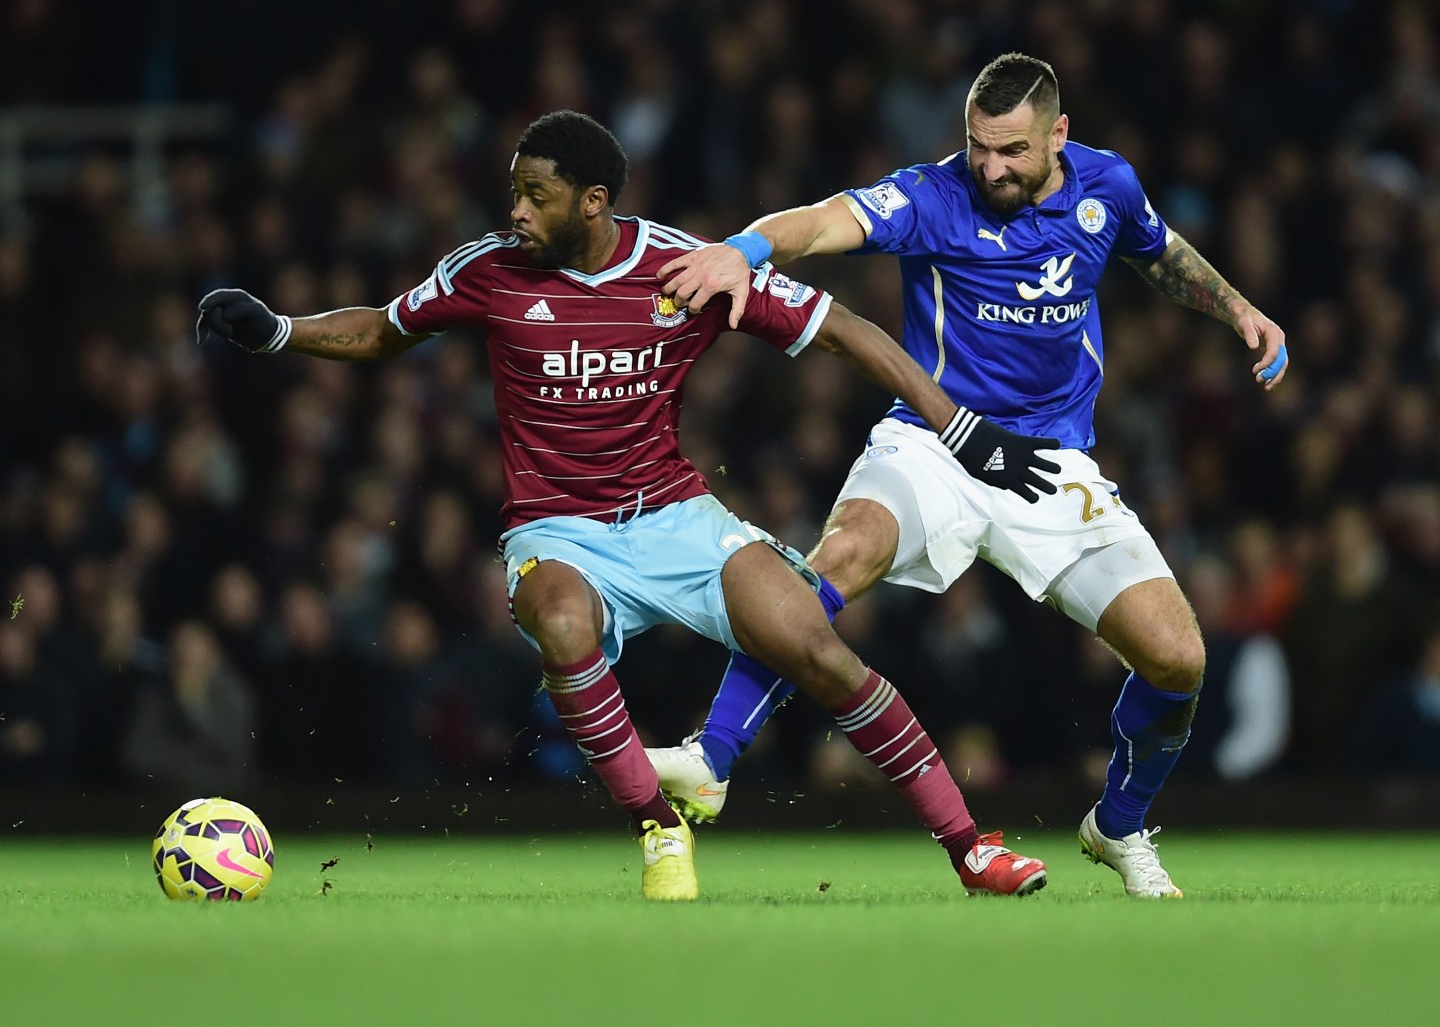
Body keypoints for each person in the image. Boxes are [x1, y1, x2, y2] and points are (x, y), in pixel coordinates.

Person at [195, 109, 1056, 900]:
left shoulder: (684, 271)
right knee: (563, 627)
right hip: (556, 530)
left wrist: (959, 427)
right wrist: (280, 330)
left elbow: (845, 329)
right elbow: (383, 329)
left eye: (538, 196)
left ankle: (969, 845)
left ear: (594, 201)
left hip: (674, 515)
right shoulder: (486, 271)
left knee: (816, 648)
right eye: (514, 193)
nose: (518, 213)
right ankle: (657, 823)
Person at [650, 53, 1290, 898]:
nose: (990, 167)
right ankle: (713, 758)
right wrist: (742, 249)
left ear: (1058, 135)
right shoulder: (933, 194)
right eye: (979, 145)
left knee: (1178, 659)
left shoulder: (1108, 187)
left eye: (1013, 151)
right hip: (936, 443)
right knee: (839, 555)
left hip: (1050, 463)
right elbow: (821, 220)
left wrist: (1238, 307)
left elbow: (1160, 251)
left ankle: (1118, 826)